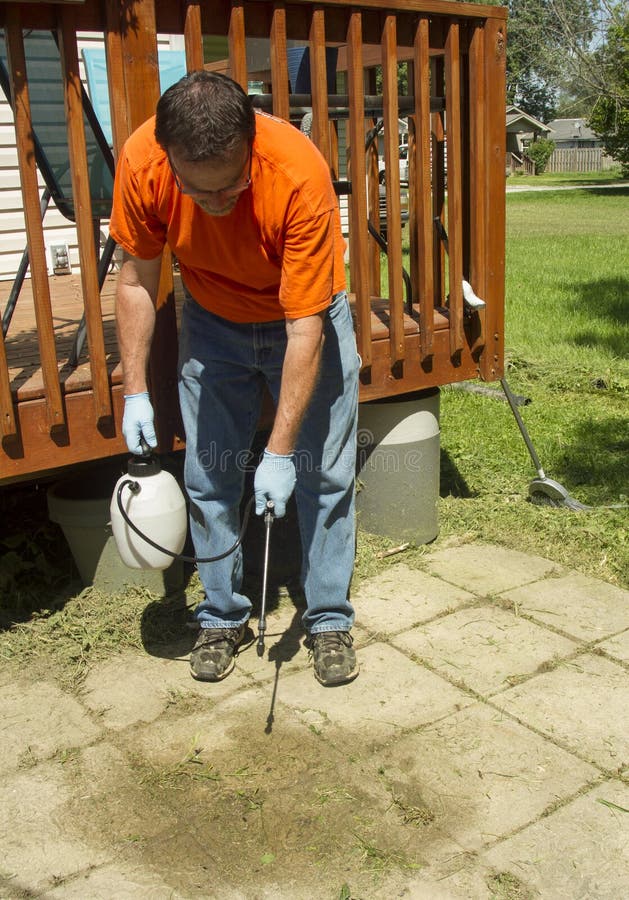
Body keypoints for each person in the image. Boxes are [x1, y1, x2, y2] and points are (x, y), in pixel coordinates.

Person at [109, 71, 360, 687]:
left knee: (323, 473)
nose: (218, 205)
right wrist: (135, 390)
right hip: (212, 317)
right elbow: (138, 280)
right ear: (170, 162)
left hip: (301, 314)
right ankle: (221, 614)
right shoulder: (143, 162)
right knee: (210, 474)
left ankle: (328, 618)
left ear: (251, 146)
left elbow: (306, 332)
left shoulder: (298, 174)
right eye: (200, 193)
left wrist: (277, 453)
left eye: (231, 189)